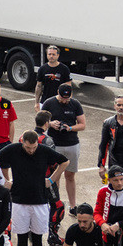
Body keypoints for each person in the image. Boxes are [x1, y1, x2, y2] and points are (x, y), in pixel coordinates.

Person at [0, 132, 67, 246]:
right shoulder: (13, 149)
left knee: (37, 240)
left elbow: (64, 161)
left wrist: (51, 180)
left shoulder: (43, 150)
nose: (31, 150)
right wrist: (5, 180)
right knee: (21, 240)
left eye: (33, 147)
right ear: (23, 143)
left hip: (40, 202)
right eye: (28, 147)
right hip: (19, 202)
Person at [41, 83, 87, 213]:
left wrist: (70, 128)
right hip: (54, 146)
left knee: (70, 176)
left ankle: (72, 206)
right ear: (58, 93)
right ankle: (56, 203)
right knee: (55, 176)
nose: (64, 100)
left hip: (72, 144)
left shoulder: (75, 104)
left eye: (67, 98)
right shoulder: (49, 103)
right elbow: (40, 122)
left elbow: (82, 125)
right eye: (62, 98)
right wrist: (50, 124)